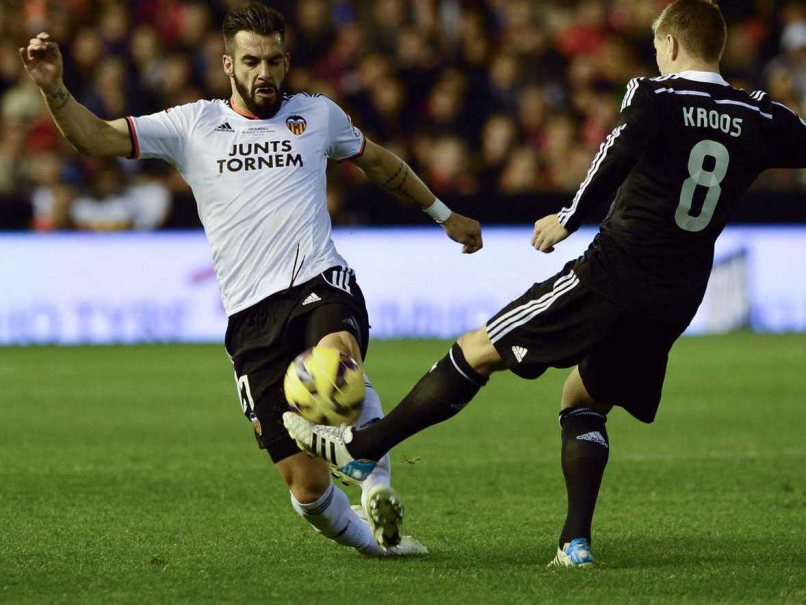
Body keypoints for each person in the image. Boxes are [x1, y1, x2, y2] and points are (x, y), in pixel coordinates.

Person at [283, 0, 806, 567]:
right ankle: (573, 543)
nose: (656, 56)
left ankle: (363, 448)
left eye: (658, 47)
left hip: (615, 269)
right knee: (584, 400)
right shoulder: (761, 114)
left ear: (673, 46)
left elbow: (615, 152)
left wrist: (568, 218)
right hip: (677, 294)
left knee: (475, 350)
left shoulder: (656, 94)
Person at [20, 3, 482, 557]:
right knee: (308, 490)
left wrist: (444, 214)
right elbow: (95, 139)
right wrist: (55, 90)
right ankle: (379, 543)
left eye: (274, 61)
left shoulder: (317, 116)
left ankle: (376, 480)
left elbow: (381, 164)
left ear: (287, 62)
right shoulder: (193, 126)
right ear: (227, 65)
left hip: (318, 280)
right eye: (251, 61)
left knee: (336, 359)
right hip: (249, 319)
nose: (264, 72)